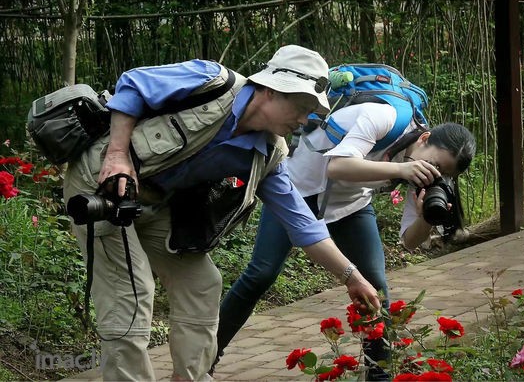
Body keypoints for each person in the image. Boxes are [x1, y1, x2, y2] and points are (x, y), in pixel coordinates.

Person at [63, 45, 381, 381]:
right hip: (99, 185)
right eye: (302, 107)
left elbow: (303, 225)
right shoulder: (209, 81)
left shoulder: (268, 155)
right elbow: (133, 84)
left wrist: (353, 278)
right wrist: (117, 154)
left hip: (151, 203)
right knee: (132, 292)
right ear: (272, 90)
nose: (304, 120)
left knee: (202, 284)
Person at [216, 100, 476, 380]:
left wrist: (426, 217)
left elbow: (409, 242)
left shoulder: (422, 170)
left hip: (350, 206)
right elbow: (338, 167)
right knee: (261, 273)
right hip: (294, 193)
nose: (432, 171)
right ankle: (207, 353)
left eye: (442, 172)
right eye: (433, 163)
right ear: (425, 138)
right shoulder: (383, 117)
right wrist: (401, 170)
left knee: (376, 285)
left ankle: (379, 377)